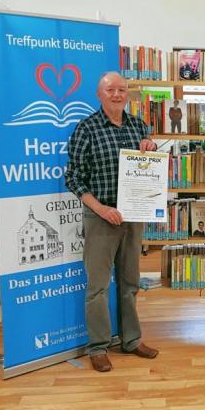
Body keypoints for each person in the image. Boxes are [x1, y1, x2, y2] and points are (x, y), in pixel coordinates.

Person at [65, 72, 160, 372]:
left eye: (122, 90)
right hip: (101, 218)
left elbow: (149, 162)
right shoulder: (86, 129)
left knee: (130, 282)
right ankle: (98, 347)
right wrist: (101, 208)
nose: (117, 95)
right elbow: (73, 178)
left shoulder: (139, 126)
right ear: (99, 94)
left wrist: (151, 148)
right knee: (98, 287)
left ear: (128, 94)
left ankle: (131, 340)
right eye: (110, 90)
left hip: (133, 215)